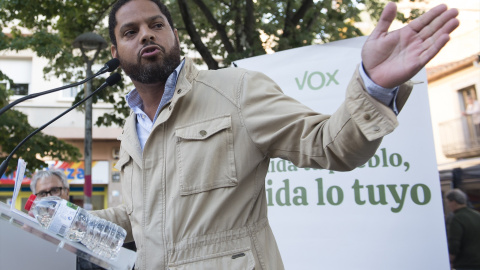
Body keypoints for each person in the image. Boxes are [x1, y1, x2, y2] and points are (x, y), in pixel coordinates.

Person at [93, 0, 460, 269]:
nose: (146, 35)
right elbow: (141, 215)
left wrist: (373, 86)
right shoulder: (131, 128)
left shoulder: (236, 90)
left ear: (173, 34)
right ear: (115, 52)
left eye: (156, 24)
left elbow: (329, 145)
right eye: (130, 31)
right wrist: (69, 219)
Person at [30, 170, 106, 270]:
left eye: (55, 190)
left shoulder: (86, 227)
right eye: (42, 194)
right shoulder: (34, 234)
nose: (49, 198)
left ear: (67, 192)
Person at [445, 189, 480, 270]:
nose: (448, 205)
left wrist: (449, 261)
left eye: (448, 202)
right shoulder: (477, 215)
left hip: (465, 264)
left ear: (453, 202)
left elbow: (454, 244)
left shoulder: (456, 218)